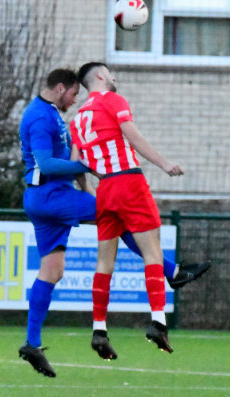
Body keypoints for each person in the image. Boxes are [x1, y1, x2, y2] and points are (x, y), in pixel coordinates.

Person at [17, 68, 209, 377]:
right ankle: (171, 271)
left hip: (45, 198)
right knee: (119, 214)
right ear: (61, 88)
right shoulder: (40, 116)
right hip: (51, 196)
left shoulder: (52, 113)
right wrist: (89, 165)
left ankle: (32, 343)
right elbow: (48, 164)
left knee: (52, 271)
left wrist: (86, 181)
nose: (75, 99)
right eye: (73, 94)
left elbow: (68, 160)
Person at [70, 61, 185, 357]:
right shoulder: (113, 100)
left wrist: (89, 191)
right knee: (152, 252)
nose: (114, 77)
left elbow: (76, 163)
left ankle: (99, 329)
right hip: (129, 182)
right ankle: (158, 322)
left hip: (105, 190)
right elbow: (133, 137)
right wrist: (164, 164)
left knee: (103, 263)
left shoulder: (78, 118)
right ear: (100, 76)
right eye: (110, 73)